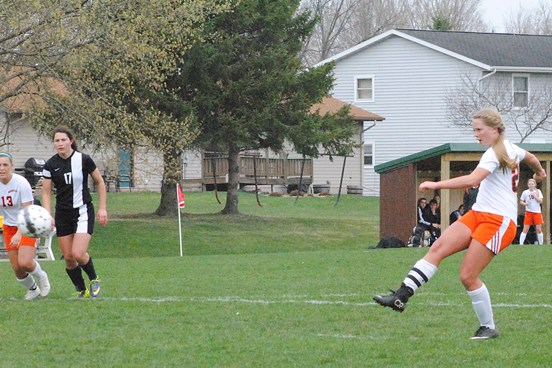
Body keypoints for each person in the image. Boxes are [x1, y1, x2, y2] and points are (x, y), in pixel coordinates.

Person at [373, 108, 547, 339]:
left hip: (499, 222)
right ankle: (401, 296)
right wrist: (539, 172)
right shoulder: (510, 148)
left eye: (479, 130)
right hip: (478, 214)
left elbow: (473, 179)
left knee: (467, 276)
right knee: (437, 248)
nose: (476, 134)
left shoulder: (495, 153)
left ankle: (488, 327)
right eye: (474, 129)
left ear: (494, 130)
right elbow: (532, 158)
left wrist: (435, 185)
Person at [42, 126, 108, 298]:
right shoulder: (50, 165)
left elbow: (100, 183)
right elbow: (46, 192)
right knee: (69, 258)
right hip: (63, 214)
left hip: (83, 211)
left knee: (78, 254)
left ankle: (94, 278)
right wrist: (47, 214)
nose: (60, 143)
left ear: (71, 141)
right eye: (57, 140)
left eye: (63, 140)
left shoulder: (83, 159)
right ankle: (82, 290)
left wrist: (102, 208)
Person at [0, 152, 51, 300]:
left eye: (5, 165)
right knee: (17, 269)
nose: (2, 168)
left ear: (12, 166)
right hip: (9, 226)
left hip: (27, 225)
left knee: (26, 263)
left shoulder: (21, 183)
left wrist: (19, 233)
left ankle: (42, 276)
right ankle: (32, 289)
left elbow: (27, 211)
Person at [519, 178, 544, 245]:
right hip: (528, 212)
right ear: (528, 185)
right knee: (525, 229)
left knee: (538, 229)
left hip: (537, 212)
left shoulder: (538, 191)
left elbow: (541, 201)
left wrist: (536, 197)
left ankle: (541, 243)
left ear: (535, 185)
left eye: (532, 184)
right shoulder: (525, 192)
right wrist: (525, 204)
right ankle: (521, 244)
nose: (531, 185)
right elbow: (521, 201)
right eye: (529, 184)